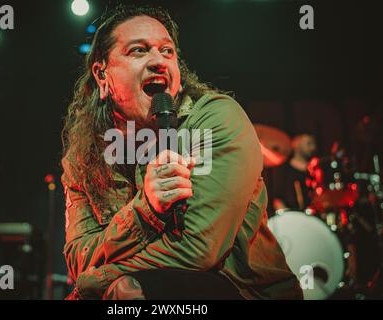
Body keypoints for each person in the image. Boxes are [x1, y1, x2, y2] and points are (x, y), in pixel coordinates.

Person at [61, 5, 302, 300]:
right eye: (138, 51)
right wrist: (145, 210)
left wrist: (96, 283)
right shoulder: (85, 155)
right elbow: (77, 257)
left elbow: (199, 250)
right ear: (102, 75)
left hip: (241, 292)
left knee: (129, 293)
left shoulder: (216, 119)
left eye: (167, 51)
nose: (159, 62)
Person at [273, 134, 317, 211]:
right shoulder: (284, 171)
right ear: (296, 144)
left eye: (313, 144)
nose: (313, 148)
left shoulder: (316, 170)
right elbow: (278, 200)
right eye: (309, 143)